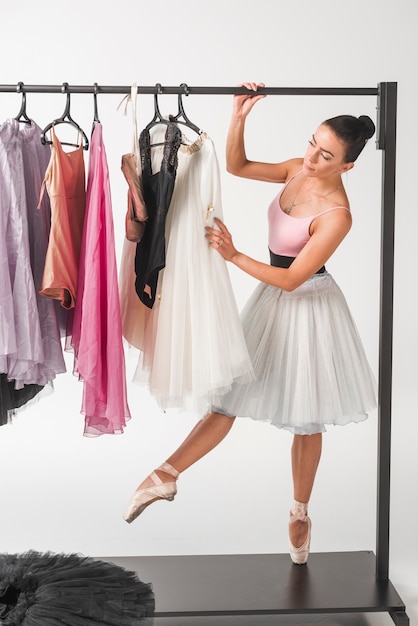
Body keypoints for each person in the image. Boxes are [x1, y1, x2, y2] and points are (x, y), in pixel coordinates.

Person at [123, 82, 377, 565]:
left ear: (347, 165)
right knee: (230, 394)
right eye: (311, 144)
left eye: (325, 156)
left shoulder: (337, 215)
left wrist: (234, 254)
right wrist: (239, 115)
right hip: (272, 298)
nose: (310, 159)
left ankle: (300, 513)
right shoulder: (295, 173)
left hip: (310, 305)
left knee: (307, 417)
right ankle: (166, 474)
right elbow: (238, 166)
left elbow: (293, 279)